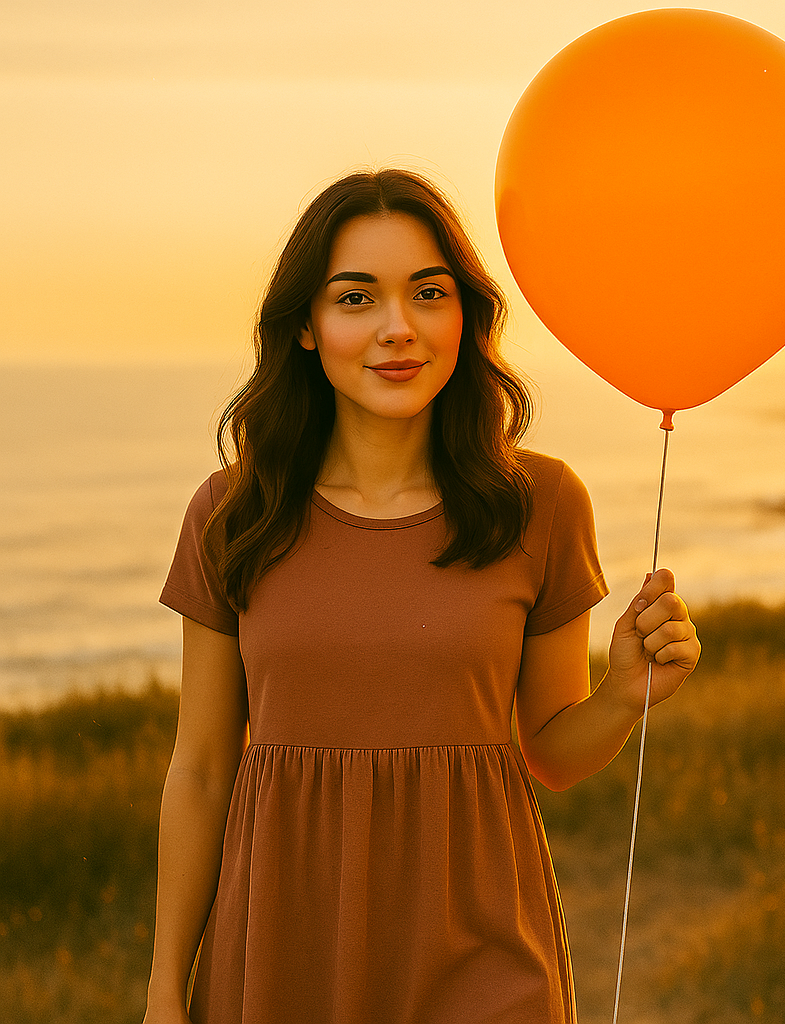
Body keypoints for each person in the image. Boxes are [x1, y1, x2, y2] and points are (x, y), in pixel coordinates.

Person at [143, 167, 700, 1024]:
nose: (397, 329)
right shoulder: (233, 512)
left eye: (428, 294)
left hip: (483, 943)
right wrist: (162, 993)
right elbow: (203, 768)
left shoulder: (541, 503)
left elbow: (550, 752)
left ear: (464, 317)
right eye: (357, 298)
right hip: (285, 941)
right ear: (305, 327)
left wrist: (625, 696)